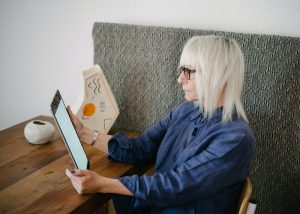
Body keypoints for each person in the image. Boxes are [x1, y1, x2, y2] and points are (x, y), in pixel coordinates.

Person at [66, 35, 254, 214]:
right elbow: (139, 148)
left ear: (219, 76)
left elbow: (177, 185)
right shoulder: (186, 111)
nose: (180, 79)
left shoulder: (235, 139)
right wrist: (83, 133)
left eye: (188, 72)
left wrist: (102, 184)